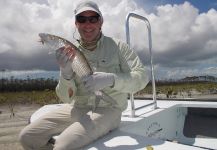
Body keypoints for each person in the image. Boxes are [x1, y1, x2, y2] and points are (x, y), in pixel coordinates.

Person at [19, 1, 149, 150]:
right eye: (82, 19)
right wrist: (66, 74)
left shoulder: (119, 47)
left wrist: (112, 79)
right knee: (27, 136)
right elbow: (65, 98)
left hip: (109, 109)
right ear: (76, 24)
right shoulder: (69, 51)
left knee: (62, 145)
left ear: (101, 21)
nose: (88, 24)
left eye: (93, 18)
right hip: (78, 107)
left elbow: (142, 77)